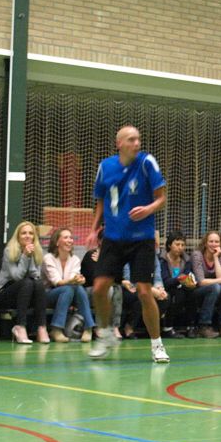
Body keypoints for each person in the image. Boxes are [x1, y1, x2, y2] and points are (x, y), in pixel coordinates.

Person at [86, 125, 169, 363]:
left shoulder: (147, 163)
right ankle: (105, 335)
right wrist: (93, 229)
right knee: (99, 288)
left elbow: (162, 198)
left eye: (138, 139)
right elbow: (101, 201)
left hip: (141, 239)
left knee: (143, 291)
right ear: (119, 143)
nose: (137, 143)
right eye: (131, 139)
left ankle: (157, 345)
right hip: (113, 238)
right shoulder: (105, 167)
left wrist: (148, 210)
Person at [0, 221, 49, 344]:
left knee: (38, 283)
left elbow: (36, 275)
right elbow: (17, 276)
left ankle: (42, 327)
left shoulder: (37, 251)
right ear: (18, 236)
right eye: (24, 233)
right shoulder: (9, 250)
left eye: (31, 233)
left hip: (26, 293)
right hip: (5, 293)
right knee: (27, 283)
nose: (28, 236)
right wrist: (25, 256)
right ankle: (20, 326)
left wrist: (31, 256)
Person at [42, 228, 95, 342]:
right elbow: (57, 282)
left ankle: (88, 329)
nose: (70, 240)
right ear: (57, 242)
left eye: (71, 237)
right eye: (66, 237)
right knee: (68, 289)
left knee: (78, 288)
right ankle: (56, 329)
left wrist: (79, 280)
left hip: (69, 293)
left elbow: (73, 280)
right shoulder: (48, 258)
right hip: (48, 295)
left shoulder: (75, 259)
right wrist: (74, 280)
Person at [190, 230, 221, 338]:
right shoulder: (197, 255)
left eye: (216, 242)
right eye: (211, 241)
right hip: (196, 291)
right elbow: (201, 281)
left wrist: (215, 258)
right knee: (216, 287)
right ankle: (204, 326)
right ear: (205, 243)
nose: (214, 244)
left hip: (214, 291)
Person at [161, 231, 197, 337]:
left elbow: (188, 275)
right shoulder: (162, 259)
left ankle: (190, 327)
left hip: (182, 287)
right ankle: (168, 328)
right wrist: (179, 279)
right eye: (177, 244)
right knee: (177, 294)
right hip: (165, 288)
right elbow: (165, 281)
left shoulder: (186, 260)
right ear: (169, 245)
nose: (180, 247)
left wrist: (189, 282)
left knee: (193, 292)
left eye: (182, 245)